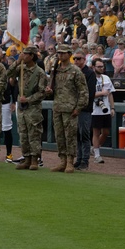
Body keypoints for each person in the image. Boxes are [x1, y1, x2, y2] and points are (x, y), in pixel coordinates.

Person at [46, 44, 88, 173]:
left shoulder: (75, 71)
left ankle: (70, 161)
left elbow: (83, 92)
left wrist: (78, 108)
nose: (60, 55)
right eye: (59, 53)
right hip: (58, 107)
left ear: (69, 54)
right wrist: (48, 90)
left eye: (63, 53)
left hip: (70, 108)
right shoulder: (56, 70)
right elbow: (52, 89)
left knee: (70, 136)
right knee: (59, 135)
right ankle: (62, 161)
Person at [8, 46, 47, 170]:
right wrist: (17, 62)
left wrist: (29, 99)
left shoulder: (39, 72)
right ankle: (26, 158)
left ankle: (35, 159)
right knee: (23, 133)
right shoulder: (20, 69)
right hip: (22, 107)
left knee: (34, 134)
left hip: (33, 107)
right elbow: (8, 73)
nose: (22, 56)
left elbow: (42, 92)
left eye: (25, 54)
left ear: (31, 56)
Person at [72, 51, 97, 170]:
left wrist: (81, 105)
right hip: (74, 107)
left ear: (84, 60)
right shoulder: (73, 71)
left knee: (84, 135)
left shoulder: (89, 73)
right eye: (75, 59)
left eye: (79, 59)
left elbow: (90, 93)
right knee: (77, 135)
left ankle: (85, 161)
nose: (76, 61)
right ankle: (79, 159)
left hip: (85, 108)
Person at [90, 58, 114, 164]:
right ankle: (97, 154)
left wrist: (112, 108)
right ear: (94, 67)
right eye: (99, 66)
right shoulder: (90, 78)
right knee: (96, 132)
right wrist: (101, 94)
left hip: (106, 108)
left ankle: (95, 148)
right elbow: (89, 95)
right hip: (95, 109)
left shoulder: (106, 78)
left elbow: (110, 93)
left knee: (106, 132)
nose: (101, 68)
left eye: (102, 66)